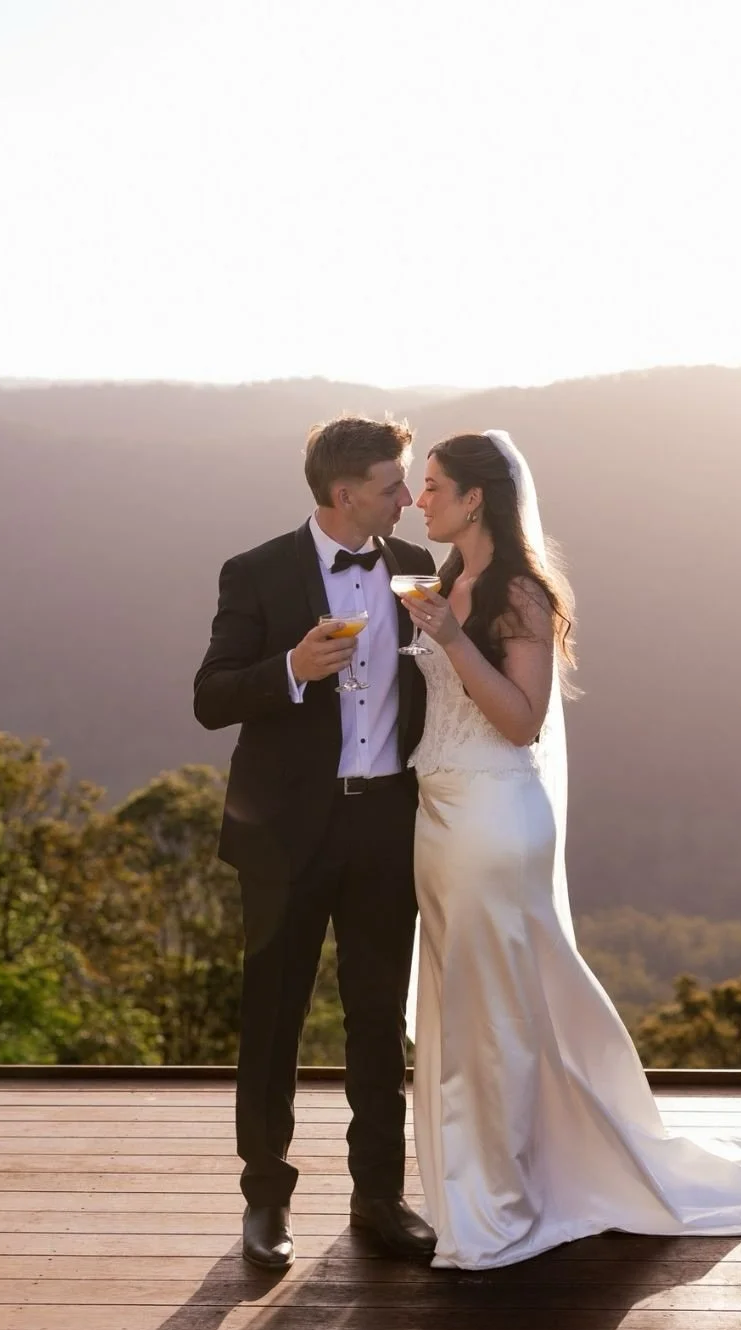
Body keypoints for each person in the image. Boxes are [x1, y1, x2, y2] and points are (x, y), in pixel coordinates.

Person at [400, 428, 741, 1271]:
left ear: (476, 497)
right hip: (437, 820)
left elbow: (521, 721)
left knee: (499, 1019)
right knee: (465, 1007)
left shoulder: (518, 593)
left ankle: (502, 1204)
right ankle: (473, 1186)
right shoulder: (449, 580)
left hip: (491, 823)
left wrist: (448, 638)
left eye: (434, 484)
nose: (419, 499)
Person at [194, 416, 438, 1269]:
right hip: (284, 836)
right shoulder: (256, 572)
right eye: (392, 486)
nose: (407, 500)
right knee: (273, 1020)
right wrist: (291, 669)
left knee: (377, 1019)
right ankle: (265, 1202)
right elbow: (212, 696)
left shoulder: (415, 571)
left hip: (385, 826)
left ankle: (379, 1198)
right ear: (345, 494)